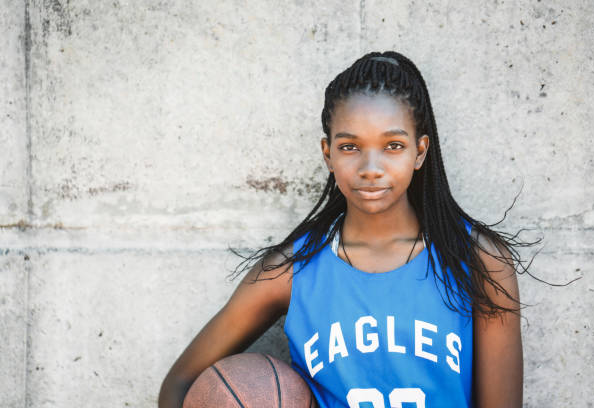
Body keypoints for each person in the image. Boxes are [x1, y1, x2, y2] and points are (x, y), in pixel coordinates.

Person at [158, 51, 534, 408]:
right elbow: (178, 386)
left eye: (393, 145)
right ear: (328, 153)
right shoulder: (292, 271)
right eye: (351, 147)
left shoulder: (479, 261)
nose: (371, 167)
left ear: (420, 151)